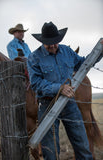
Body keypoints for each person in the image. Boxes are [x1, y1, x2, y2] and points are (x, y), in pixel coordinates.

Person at [27, 22, 96, 160]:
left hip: (69, 104)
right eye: (48, 43)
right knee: (50, 152)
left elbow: (83, 63)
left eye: (55, 42)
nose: (52, 45)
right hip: (47, 106)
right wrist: (59, 88)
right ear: (42, 41)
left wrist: (98, 52)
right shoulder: (34, 58)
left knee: (83, 146)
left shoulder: (67, 51)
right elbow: (36, 84)